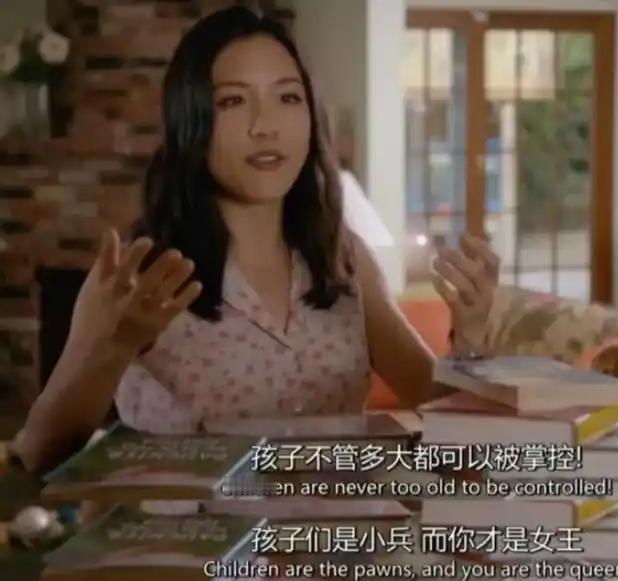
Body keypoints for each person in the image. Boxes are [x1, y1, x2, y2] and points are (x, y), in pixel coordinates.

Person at [15, 6, 499, 475]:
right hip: (186, 533)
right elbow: (39, 456)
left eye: (288, 98)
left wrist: (471, 334)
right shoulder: (139, 276)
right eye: (233, 101)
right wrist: (115, 346)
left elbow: (449, 430)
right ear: (192, 121)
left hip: (339, 528)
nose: (266, 126)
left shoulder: (345, 260)